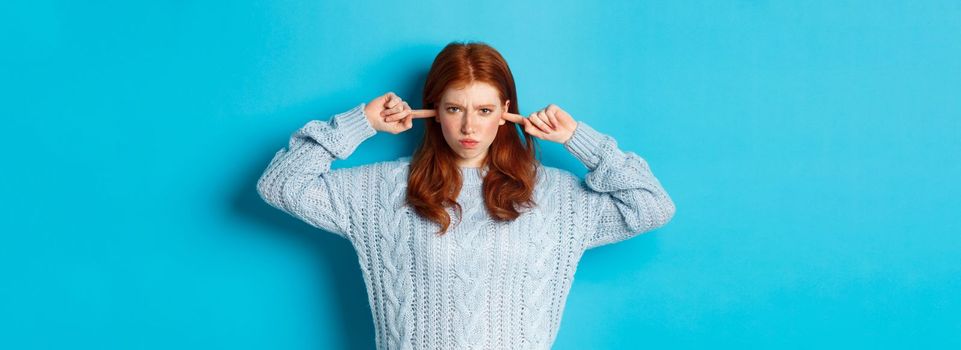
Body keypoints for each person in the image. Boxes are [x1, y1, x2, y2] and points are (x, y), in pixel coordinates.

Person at [256, 41, 676, 350]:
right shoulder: (380, 190)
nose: (469, 128)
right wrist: (360, 123)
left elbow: (651, 206)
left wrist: (578, 138)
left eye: (485, 110)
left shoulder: (555, 196)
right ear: (434, 110)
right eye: (455, 109)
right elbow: (281, 184)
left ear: (506, 112)